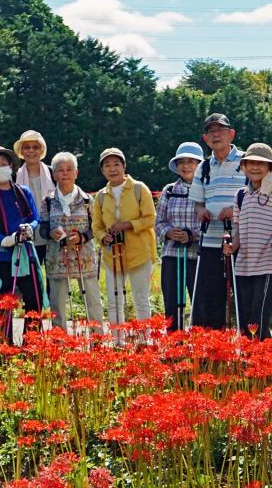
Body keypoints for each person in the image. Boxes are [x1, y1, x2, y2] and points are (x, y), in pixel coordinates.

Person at [0, 146, 45, 340]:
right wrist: (4, 239)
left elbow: (34, 216)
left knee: (33, 297)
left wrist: (30, 227)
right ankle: (3, 344)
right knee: (3, 301)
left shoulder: (23, 192)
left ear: (11, 166)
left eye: (3, 164)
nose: (0, 168)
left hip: (25, 253)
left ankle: (31, 342)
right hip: (1, 255)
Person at [222, 143, 272, 340]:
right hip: (243, 264)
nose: (255, 167)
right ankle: (262, 362)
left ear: (271, 168)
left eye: (261, 163)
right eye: (250, 162)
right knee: (244, 321)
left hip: (269, 262)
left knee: (258, 319)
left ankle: (259, 364)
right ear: (243, 166)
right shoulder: (240, 196)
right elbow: (238, 232)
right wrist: (230, 247)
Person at [188, 113, 247, 329]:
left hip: (241, 241)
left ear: (231, 134)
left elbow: (259, 196)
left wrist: (235, 210)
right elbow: (197, 203)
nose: (216, 135)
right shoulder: (203, 167)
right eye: (211, 131)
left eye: (220, 130)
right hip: (210, 241)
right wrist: (201, 210)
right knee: (211, 299)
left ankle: (249, 353)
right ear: (205, 138)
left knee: (243, 298)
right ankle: (216, 354)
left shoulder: (247, 161)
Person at [92, 147, 156, 342]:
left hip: (139, 253)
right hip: (113, 255)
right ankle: (117, 340)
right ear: (102, 170)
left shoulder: (139, 188)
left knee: (140, 299)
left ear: (124, 166)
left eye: (116, 164)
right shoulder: (101, 196)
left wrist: (128, 225)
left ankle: (145, 340)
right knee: (114, 300)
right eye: (107, 165)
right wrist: (104, 237)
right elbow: (96, 225)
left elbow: (150, 218)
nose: (112, 169)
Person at [40, 152, 104, 332]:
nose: (65, 173)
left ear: (76, 173)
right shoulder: (48, 201)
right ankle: (60, 341)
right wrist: (50, 232)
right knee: (57, 302)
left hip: (84, 257)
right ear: (54, 174)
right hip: (57, 258)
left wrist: (82, 237)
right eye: (60, 170)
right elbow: (42, 227)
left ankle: (98, 339)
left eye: (69, 169)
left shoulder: (87, 200)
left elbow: (96, 227)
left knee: (93, 300)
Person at [156, 142, 203, 332]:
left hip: (198, 255)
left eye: (191, 161)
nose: (186, 166)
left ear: (200, 164)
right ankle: (174, 347)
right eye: (181, 162)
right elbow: (158, 222)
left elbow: (211, 222)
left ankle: (200, 350)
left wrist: (191, 235)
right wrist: (168, 232)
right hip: (171, 254)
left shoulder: (206, 190)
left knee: (200, 302)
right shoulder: (169, 190)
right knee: (172, 304)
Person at [13, 130, 54, 264]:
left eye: (35, 147)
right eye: (27, 147)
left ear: (41, 150)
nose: (31, 151)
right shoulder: (14, 177)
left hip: (51, 232)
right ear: (21, 151)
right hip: (25, 232)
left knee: (52, 278)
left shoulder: (53, 172)